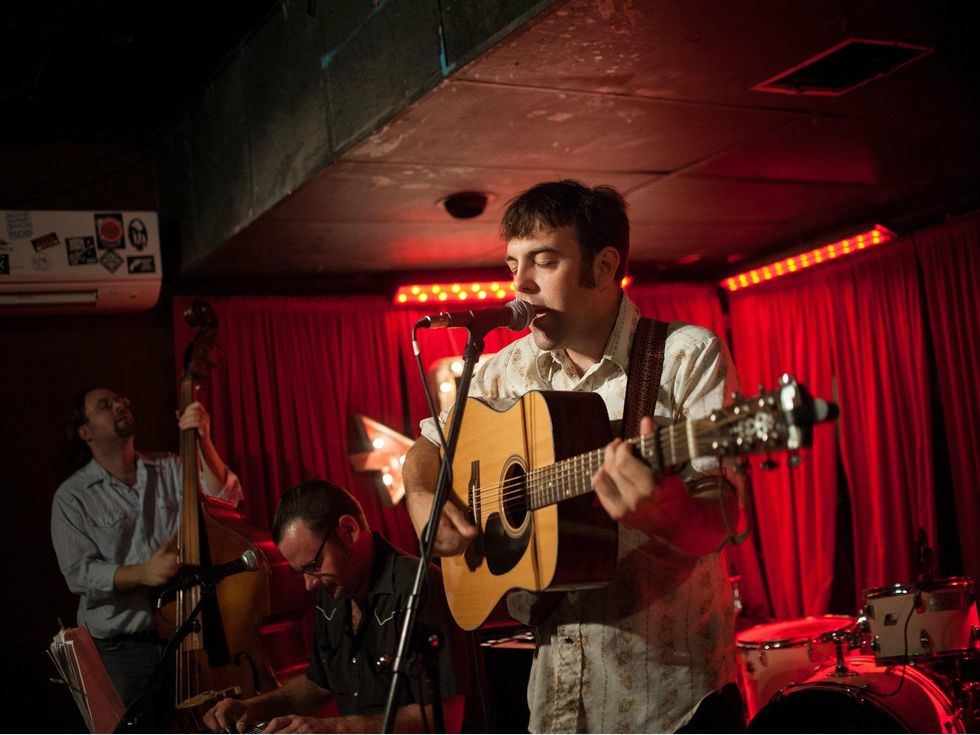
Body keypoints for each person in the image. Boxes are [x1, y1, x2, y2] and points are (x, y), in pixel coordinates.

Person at [403, 180, 746, 733]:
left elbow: (720, 519)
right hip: (555, 706)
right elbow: (427, 446)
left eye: (543, 260)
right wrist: (423, 497)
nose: (521, 284)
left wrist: (658, 509)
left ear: (604, 266)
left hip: (671, 704)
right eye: (513, 264)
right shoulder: (502, 369)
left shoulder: (685, 354)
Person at [203, 479, 483, 734]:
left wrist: (335, 728)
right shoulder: (333, 589)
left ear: (348, 530)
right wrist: (252, 707)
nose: (309, 585)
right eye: (300, 572)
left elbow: (446, 718)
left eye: (313, 566)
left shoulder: (420, 586)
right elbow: (319, 682)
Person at [51, 387, 243, 709]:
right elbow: (79, 574)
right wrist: (144, 573)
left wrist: (203, 439)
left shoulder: (169, 467)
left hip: (185, 639)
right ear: (85, 432)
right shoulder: (72, 497)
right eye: (105, 405)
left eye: (121, 400)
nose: (120, 404)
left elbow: (226, 501)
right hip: (122, 649)